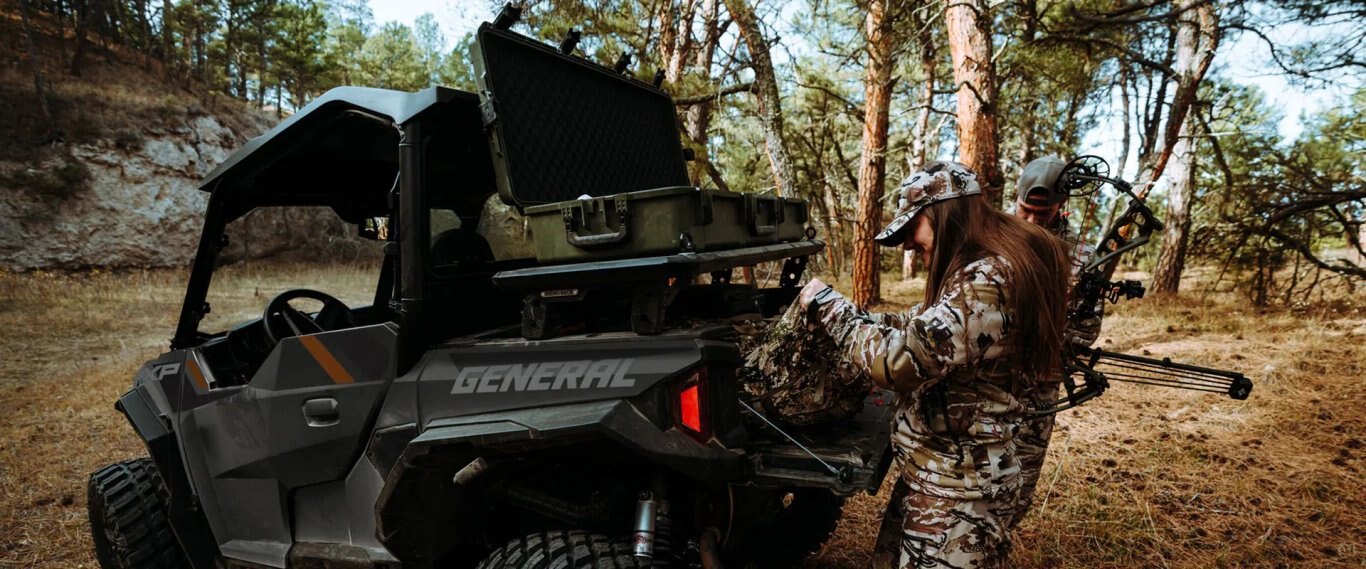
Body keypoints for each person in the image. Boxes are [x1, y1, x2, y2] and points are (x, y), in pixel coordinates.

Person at [796, 161, 1070, 568]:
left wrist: (828, 307)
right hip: (938, 472)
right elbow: (922, 324)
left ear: (945, 214)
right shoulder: (977, 271)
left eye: (912, 228)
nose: (908, 244)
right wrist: (864, 319)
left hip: (959, 494)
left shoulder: (987, 281)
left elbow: (897, 364)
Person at [1009, 156, 1106, 530]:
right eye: (1025, 210)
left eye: (1043, 212)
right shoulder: (991, 236)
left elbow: (1085, 331)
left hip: (1038, 389)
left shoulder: (1083, 255)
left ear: (1061, 204)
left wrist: (1044, 339)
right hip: (980, 387)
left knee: (1017, 488)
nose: (1033, 220)